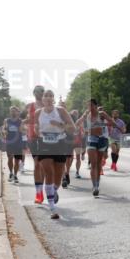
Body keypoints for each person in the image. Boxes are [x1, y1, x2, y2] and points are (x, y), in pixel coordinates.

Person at [32, 89, 76, 220]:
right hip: (44, 144)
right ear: (43, 99)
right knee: (48, 172)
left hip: (59, 143)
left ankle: (54, 191)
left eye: (51, 96)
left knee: (58, 175)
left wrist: (59, 124)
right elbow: (36, 127)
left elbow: (72, 128)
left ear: (53, 99)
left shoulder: (61, 111)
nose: (49, 98)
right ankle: (52, 208)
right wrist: (37, 131)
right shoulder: (38, 112)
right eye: (46, 96)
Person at [76, 100, 112, 197]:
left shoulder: (101, 115)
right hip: (91, 139)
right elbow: (78, 123)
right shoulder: (87, 115)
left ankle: (97, 184)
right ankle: (95, 186)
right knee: (93, 164)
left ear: (96, 106)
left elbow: (111, 122)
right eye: (88, 106)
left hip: (103, 139)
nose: (89, 107)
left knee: (99, 164)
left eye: (91, 105)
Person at [22, 85, 46, 203]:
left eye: (41, 91)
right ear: (34, 93)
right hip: (33, 137)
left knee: (44, 165)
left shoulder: (48, 106)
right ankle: (38, 193)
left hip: (46, 138)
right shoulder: (29, 106)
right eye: (36, 91)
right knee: (37, 164)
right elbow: (27, 119)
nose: (38, 93)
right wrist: (21, 123)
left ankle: (47, 188)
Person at [2, 107, 25, 183]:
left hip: (18, 142)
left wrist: (22, 128)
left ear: (17, 113)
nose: (13, 113)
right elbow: (4, 129)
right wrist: (5, 131)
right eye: (12, 111)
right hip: (10, 142)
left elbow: (21, 130)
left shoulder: (20, 121)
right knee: (10, 158)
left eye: (14, 111)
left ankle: (15, 175)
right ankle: (11, 173)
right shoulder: (6, 120)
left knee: (17, 160)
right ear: (10, 112)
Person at [70, 109, 85, 181]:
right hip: (70, 142)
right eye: (74, 114)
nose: (75, 115)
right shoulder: (68, 121)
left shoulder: (80, 123)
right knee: (70, 158)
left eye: (76, 114)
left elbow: (83, 132)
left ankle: (77, 172)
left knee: (78, 158)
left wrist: (82, 133)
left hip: (78, 142)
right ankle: (67, 171)